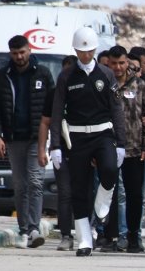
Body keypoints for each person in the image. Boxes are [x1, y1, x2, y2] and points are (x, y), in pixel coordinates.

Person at [50, 27, 126, 257]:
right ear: (75, 50)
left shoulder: (106, 73)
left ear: (94, 50)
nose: (85, 55)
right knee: (79, 188)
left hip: (103, 133)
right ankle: (84, 239)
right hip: (77, 137)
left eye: (89, 51)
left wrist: (121, 142)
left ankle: (102, 202)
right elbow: (56, 113)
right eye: (81, 51)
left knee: (110, 170)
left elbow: (116, 109)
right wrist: (55, 145)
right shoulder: (66, 76)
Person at [0, 35, 55, 248]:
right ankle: (24, 229)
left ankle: (34, 227)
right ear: (11, 53)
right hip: (13, 138)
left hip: (36, 138)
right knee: (20, 185)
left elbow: (52, 107)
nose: (19, 57)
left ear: (29, 50)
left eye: (22, 52)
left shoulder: (43, 74)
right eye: (15, 53)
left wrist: (50, 139)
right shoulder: (2, 76)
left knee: (36, 182)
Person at [103, 45, 145, 253]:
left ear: (128, 63)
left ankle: (134, 236)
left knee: (135, 195)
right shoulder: (104, 84)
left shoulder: (139, 85)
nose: (118, 67)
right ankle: (109, 236)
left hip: (134, 149)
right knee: (109, 193)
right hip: (108, 148)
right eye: (114, 63)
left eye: (122, 63)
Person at [38, 55, 78, 251]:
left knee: (85, 192)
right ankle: (66, 235)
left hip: (83, 148)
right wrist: (45, 149)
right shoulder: (54, 94)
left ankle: (88, 232)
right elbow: (46, 122)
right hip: (60, 148)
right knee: (65, 193)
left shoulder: (83, 91)